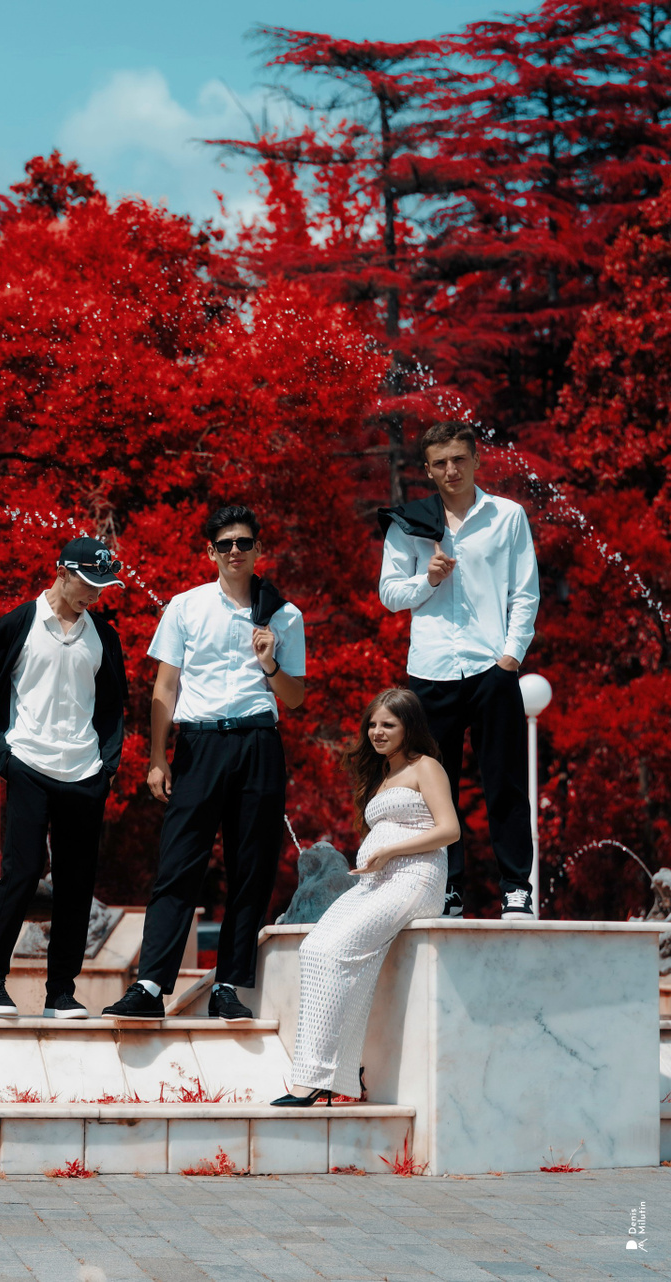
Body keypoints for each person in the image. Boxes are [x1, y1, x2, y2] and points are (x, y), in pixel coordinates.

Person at [104, 505, 307, 1023]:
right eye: (225, 544)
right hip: (199, 744)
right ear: (210, 552)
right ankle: (150, 985)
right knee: (178, 864)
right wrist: (157, 757)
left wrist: (270, 664)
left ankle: (229, 987)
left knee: (251, 869)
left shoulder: (284, 615)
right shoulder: (185, 606)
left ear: (259, 549)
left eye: (244, 542)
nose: (235, 551)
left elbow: (295, 697)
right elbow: (165, 686)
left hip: (259, 742)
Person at [379, 423, 541, 918]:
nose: (451, 470)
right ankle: (447, 888)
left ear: (476, 460)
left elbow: (525, 593)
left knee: (505, 782)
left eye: (459, 459)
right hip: (430, 671)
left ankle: (516, 887)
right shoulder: (409, 523)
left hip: (492, 668)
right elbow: (389, 594)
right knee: (435, 788)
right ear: (428, 470)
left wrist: (510, 658)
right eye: (440, 463)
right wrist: (426, 580)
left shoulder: (507, 516)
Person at [272, 689, 459, 1107]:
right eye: (372, 724)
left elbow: (450, 830)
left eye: (388, 724)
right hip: (374, 883)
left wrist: (390, 850)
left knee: (335, 950)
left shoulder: (425, 766)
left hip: (415, 878)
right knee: (314, 949)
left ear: (409, 726)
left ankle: (316, 1079)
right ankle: (336, 1070)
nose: (377, 732)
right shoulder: (382, 774)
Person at [0, 537, 128, 1019]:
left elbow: (113, 708)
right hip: (29, 765)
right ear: (61, 571)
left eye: (102, 586)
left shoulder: (105, 637)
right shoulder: (18, 624)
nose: (94, 594)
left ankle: (61, 992)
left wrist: (107, 766)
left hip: (85, 772)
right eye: (88, 583)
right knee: (23, 871)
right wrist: (3, 757)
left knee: (76, 884)